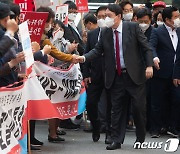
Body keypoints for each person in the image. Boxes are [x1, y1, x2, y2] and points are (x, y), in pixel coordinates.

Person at [77, 4, 153, 150]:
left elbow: (146, 48)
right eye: (105, 16)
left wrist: (149, 66)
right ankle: (117, 140)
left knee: (138, 108)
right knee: (116, 109)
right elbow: (97, 50)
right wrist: (83, 58)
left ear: (118, 16)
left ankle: (140, 137)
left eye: (109, 16)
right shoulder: (105, 32)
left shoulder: (132, 27)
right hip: (116, 76)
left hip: (134, 76)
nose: (106, 19)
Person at [150, 6, 180, 138]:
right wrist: (155, 58)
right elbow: (151, 46)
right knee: (157, 101)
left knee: (176, 100)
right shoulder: (157, 31)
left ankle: (172, 126)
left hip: (176, 73)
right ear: (167, 20)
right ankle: (156, 128)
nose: (178, 19)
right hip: (161, 72)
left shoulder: (179, 31)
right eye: (176, 17)